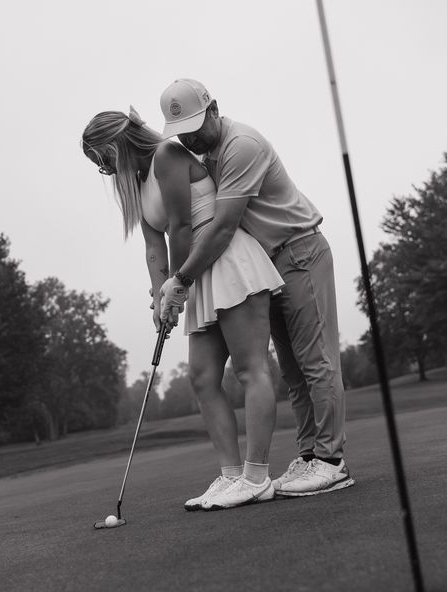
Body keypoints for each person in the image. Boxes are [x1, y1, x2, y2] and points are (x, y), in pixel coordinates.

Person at [159, 78, 355, 497]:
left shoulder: (240, 144)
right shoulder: (206, 152)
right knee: (293, 371)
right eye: (182, 132)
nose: (190, 136)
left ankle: (332, 461)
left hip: (298, 249)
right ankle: (309, 457)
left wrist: (180, 280)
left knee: (317, 362)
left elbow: (224, 226)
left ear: (214, 110)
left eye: (196, 124)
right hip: (271, 263)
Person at [81, 106, 284, 510]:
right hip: (192, 275)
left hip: (224, 261)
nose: (105, 171)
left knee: (249, 369)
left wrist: (177, 284)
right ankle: (230, 478)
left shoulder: (166, 155)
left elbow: (181, 227)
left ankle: (257, 477)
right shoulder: (140, 183)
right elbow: (153, 246)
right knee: (202, 378)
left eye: (103, 160)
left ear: (116, 144)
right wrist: (160, 297)